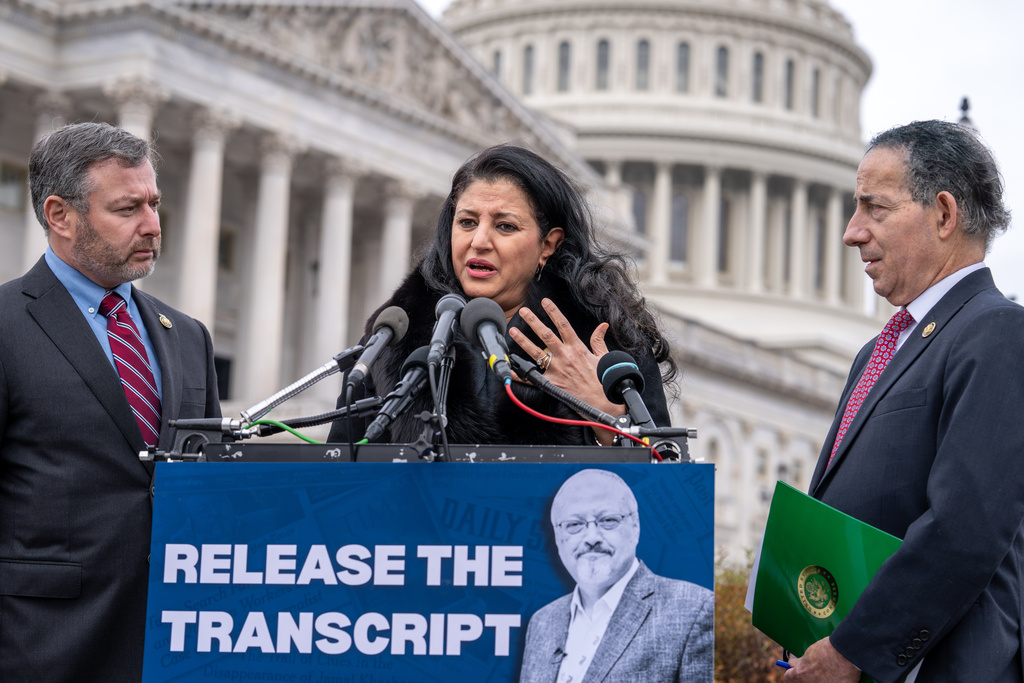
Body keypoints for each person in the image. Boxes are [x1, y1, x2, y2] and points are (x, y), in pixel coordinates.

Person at [786, 121, 1024, 683]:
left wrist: (853, 650)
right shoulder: (879, 350)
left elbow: (964, 528)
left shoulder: (998, 334)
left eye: (875, 209)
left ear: (944, 214)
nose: (851, 232)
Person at [0, 122, 221, 682]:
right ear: (60, 216)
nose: (152, 225)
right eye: (127, 209)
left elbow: (209, 484)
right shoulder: (4, 326)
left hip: (173, 642)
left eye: (154, 203)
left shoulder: (189, 335)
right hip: (44, 646)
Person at [327, 144, 675, 446]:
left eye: (505, 226)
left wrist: (610, 418)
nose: (479, 241)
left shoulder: (607, 342)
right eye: (466, 222)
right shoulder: (394, 336)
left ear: (548, 244)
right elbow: (339, 476)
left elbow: (666, 489)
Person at [519, 469, 713, 682]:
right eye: (574, 525)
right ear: (557, 537)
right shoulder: (541, 622)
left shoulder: (693, 609)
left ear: (636, 526)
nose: (591, 538)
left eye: (608, 520)